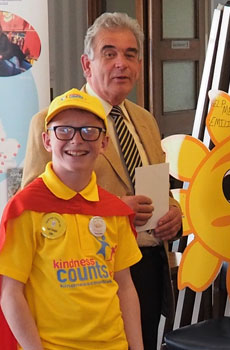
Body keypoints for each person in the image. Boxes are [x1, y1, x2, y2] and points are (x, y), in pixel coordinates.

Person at [18, 13, 181, 350]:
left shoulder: (145, 120)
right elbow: (35, 203)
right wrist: (112, 211)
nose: (121, 63)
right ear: (86, 64)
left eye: (130, 54)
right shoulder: (51, 124)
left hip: (147, 268)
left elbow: (159, 188)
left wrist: (174, 213)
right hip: (83, 277)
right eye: (109, 53)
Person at [0, 89, 144, 350]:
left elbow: (124, 286)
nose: (76, 140)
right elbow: (10, 293)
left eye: (89, 131)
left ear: (104, 143)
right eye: (64, 131)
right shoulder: (26, 208)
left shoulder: (113, 210)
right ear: (46, 140)